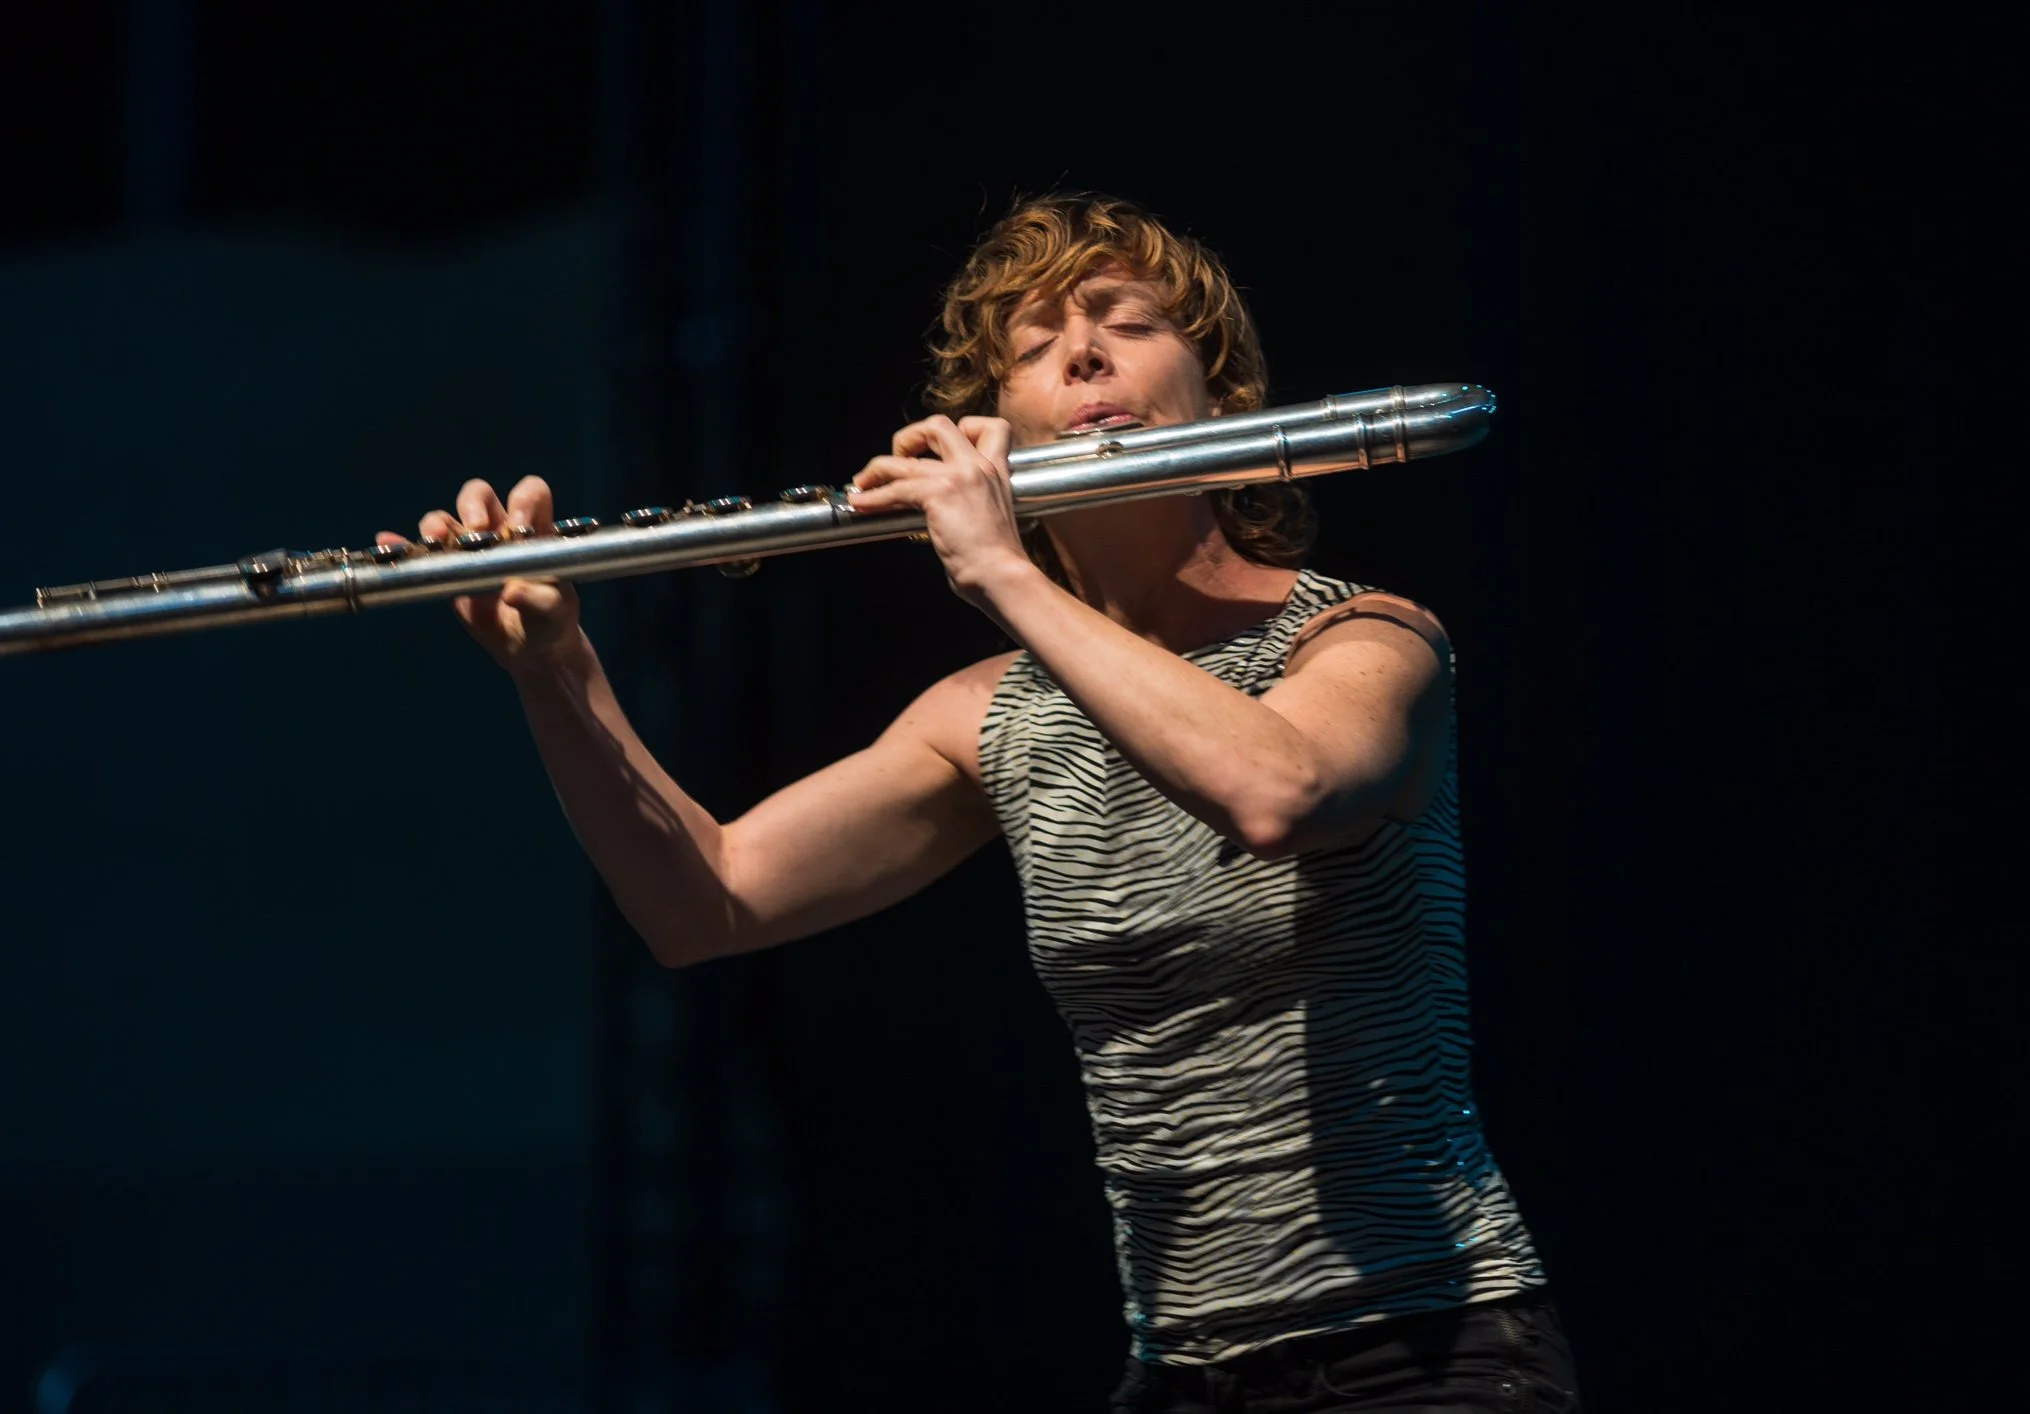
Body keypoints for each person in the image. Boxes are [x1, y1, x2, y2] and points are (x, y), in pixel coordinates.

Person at [380, 193, 1582, 1412]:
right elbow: (710, 899)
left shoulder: (1361, 640)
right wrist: (556, 675)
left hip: (1427, 1347)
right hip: (1180, 1370)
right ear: (996, 429)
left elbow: (1276, 791)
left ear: (1218, 391)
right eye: (1033, 347)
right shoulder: (985, 714)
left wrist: (1002, 568)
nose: (1083, 354)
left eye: (1127, 322)